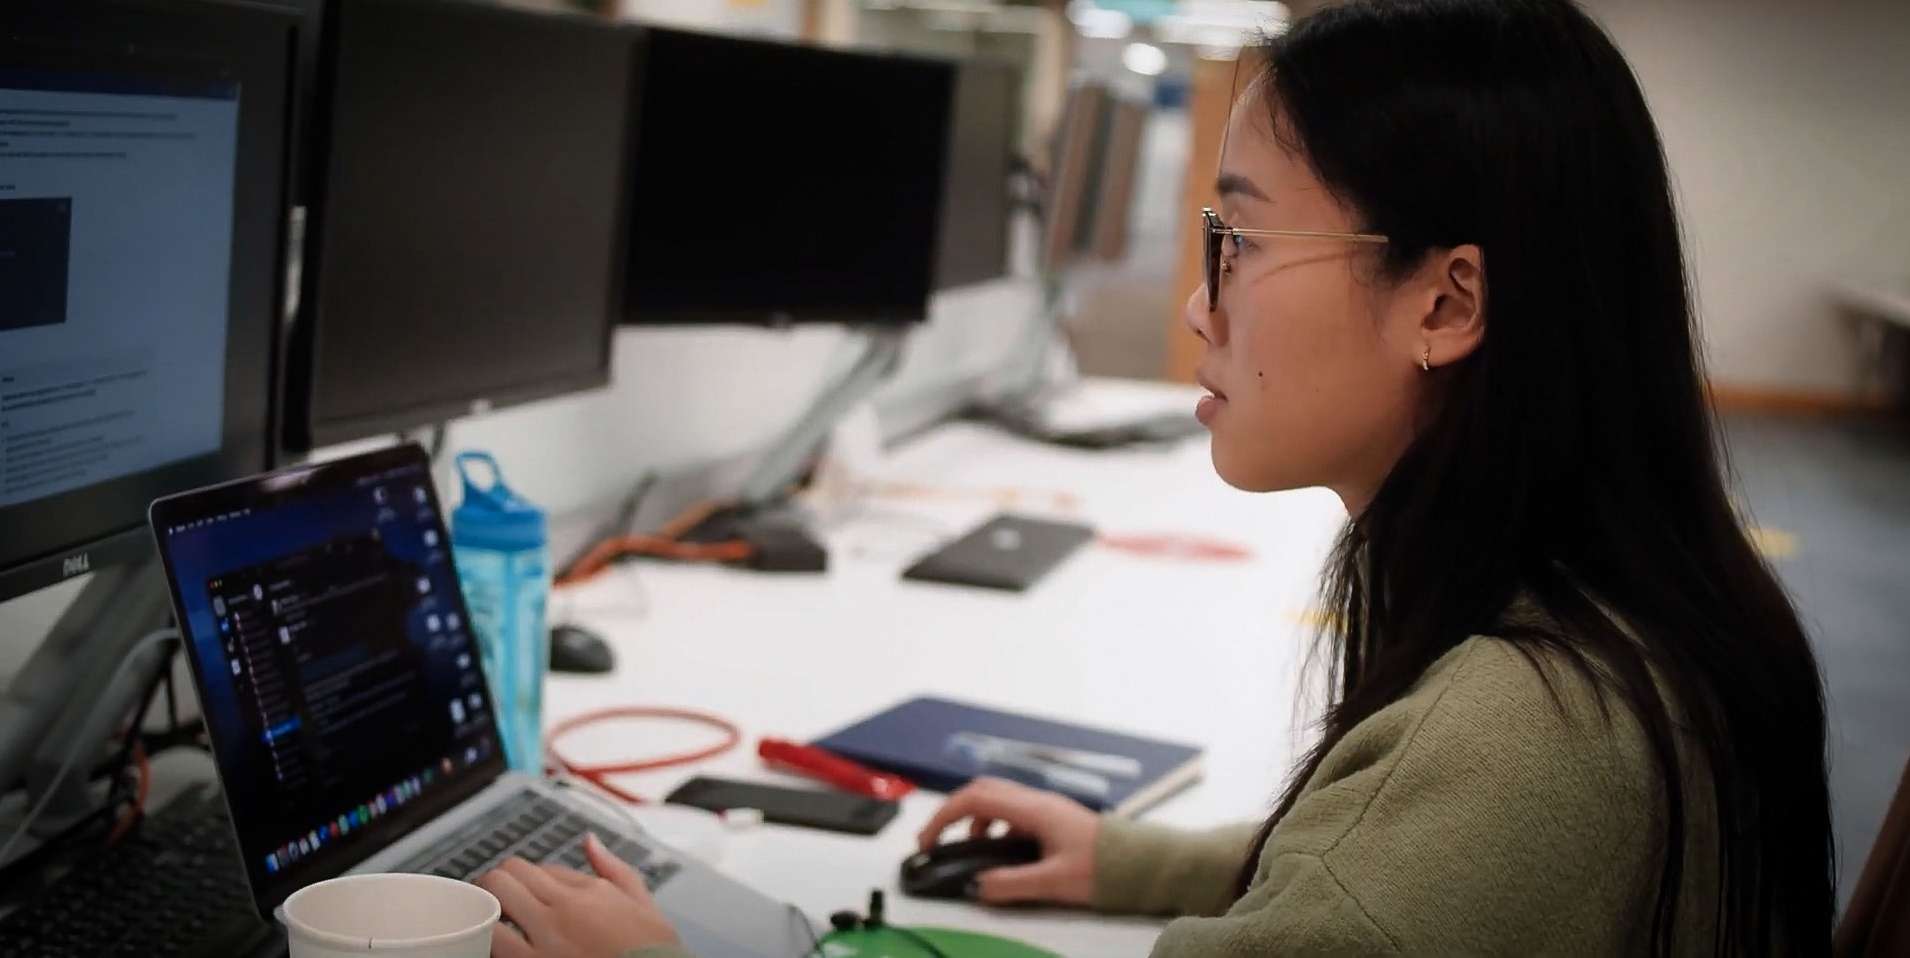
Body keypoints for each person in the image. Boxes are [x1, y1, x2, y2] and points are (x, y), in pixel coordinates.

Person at [474, 0, 1836, 954]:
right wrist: (1135, 859)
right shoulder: (1612, 626)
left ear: (1444, 302)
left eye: (1236, 238)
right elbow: (1381, 878)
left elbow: (1395, 883)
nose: (1196, 306)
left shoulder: (1518, 739)